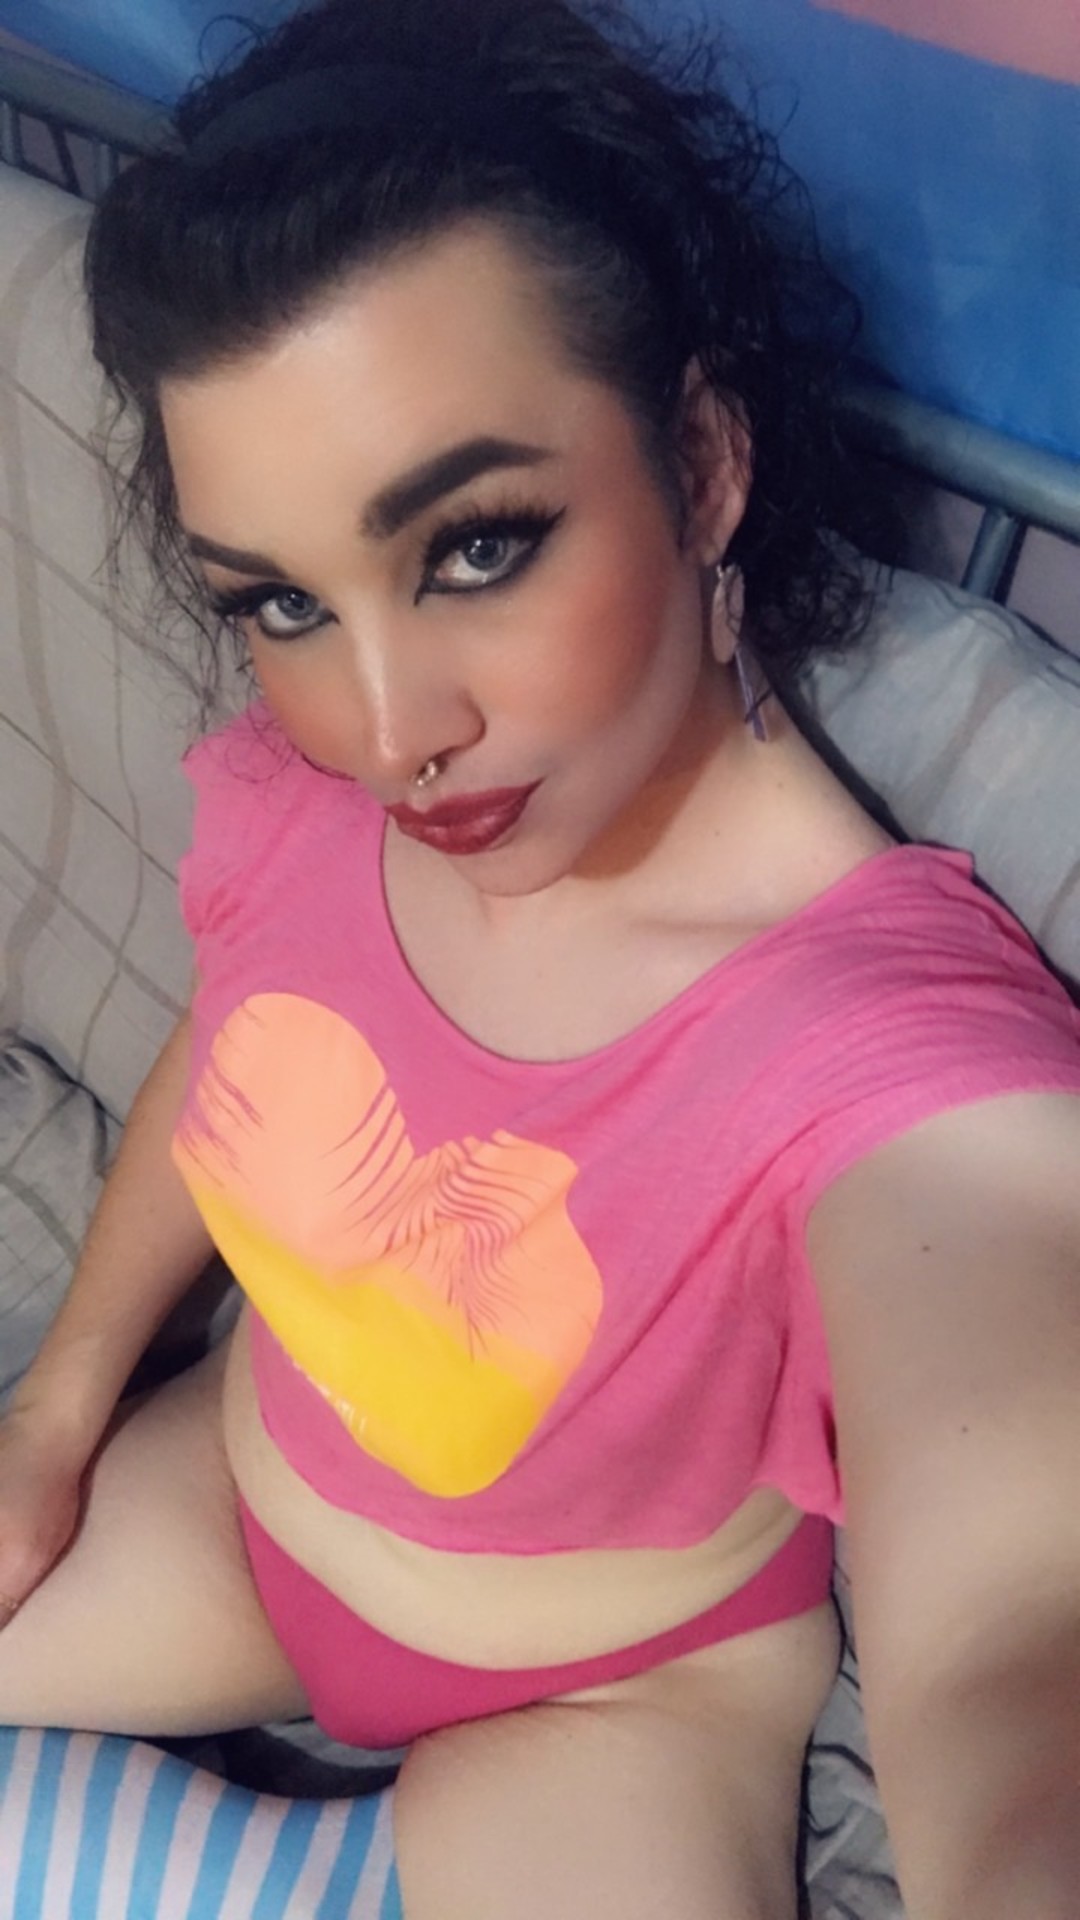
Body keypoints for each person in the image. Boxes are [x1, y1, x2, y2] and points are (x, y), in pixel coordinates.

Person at [0, 1, 1078, 1914]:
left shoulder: (887, 1052)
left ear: (706, 460)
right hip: (237, 1519)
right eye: (282, 602)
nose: (387, 729)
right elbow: (243, 1047)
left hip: (621, 1704)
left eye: (477, 547)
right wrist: (61, 1404)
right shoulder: (309, 789)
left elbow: (1018, 1616)